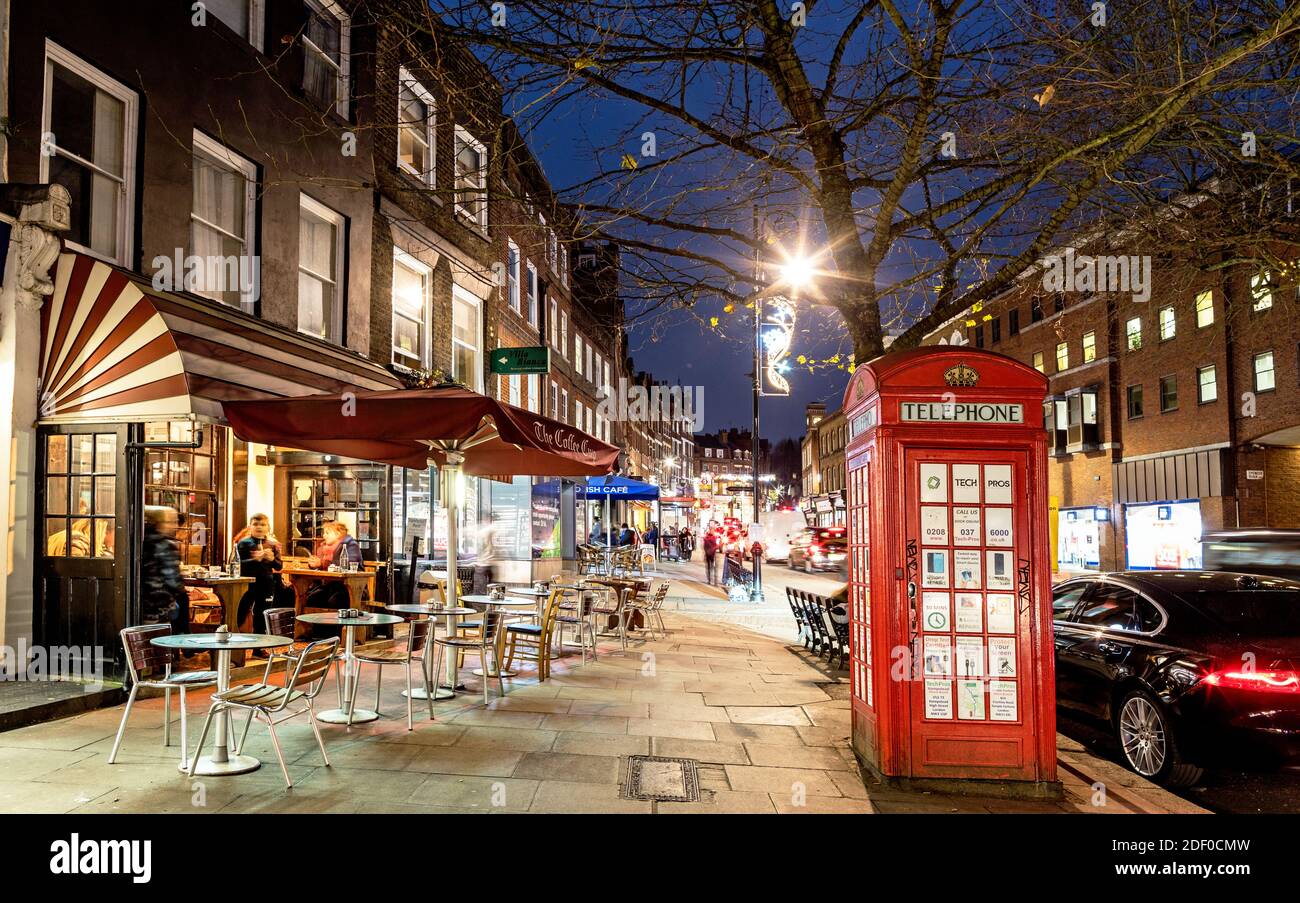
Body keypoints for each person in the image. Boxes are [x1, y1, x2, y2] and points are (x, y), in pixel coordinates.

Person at [235, 514, 295, 634]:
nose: (259, 527)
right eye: (255, 524)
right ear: (249, 527)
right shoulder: (243, 543)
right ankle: (235, 641)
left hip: (266, 583)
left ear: (268, 527)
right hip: (246, 584)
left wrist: (272, 559)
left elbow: (279, 566)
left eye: (263, 524)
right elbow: (237, 565)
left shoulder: (274, 544)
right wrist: (257, 558)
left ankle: (259, 648)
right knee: (240, 612)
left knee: (262, 613)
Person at [141, 505, 189, 632]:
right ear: (161, 523)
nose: (175, 525)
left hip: (139, 603)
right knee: (184, 599)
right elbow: (173, 582)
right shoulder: (166, 545)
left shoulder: (140, 540)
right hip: (160, 605)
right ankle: (184, 638)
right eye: (172, 521)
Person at [305, 521, 364, 610]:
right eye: (324, 533)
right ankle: (317, 624)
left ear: (338, 533)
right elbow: (321, 566)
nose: (324, 535)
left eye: (327, 533)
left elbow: (347, 565)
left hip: (350, 588)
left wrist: (321, 564)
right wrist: (314, 565)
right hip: (330, 586)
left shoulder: (351, 545)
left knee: (335, 601)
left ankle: (336, 624)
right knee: (312, 599)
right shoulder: (323, 548)